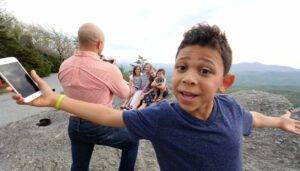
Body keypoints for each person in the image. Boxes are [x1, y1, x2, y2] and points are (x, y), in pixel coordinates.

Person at [9, 23, 300, 170]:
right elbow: (112, 114)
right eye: (182, 67)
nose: (188, 77)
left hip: (77, 128)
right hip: (91, 122)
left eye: (205, 71)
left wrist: (278, 122)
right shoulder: (163, 117)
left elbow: (253, 118)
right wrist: (55, 101)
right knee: (129, 143)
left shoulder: (232, 109)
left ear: (225, 82)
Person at [57, 23, 138, 171]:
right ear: (99, 44)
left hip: (74, 125)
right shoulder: (109, 69)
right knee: (132, 141)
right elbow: (125, 94)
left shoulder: (64, 65)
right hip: (99, 124)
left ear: (80, 41)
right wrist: (116, 71)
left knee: (79, 165)